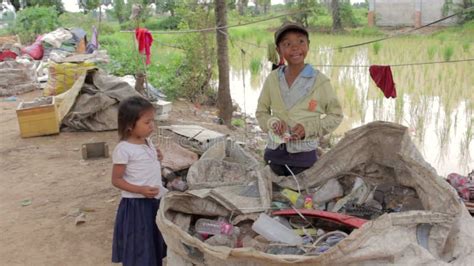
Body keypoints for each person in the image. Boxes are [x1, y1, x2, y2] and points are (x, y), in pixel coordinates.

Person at [256, 22, 343, 176]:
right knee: (275, 195)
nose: (295, 47)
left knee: (301, 197)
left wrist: (308, 128)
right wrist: (273, 123)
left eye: (300, 42)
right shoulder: (273, 79)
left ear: (308, 45)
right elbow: (261, 111)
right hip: (273, 155)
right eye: (287, 44)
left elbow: (335, 115)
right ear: (279, 50)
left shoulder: (320, 81)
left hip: (304, 159)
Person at [111, 96, 167, 266]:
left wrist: (157, 156)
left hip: (153, 202)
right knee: (139, 246)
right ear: (129, 125)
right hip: (136, 206)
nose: (152, 126)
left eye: (153, 121)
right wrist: (140, 190)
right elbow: (116, 180)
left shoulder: (147, 142)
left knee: (151, 242)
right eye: (147, 122)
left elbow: (146, 164)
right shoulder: (123, 150)